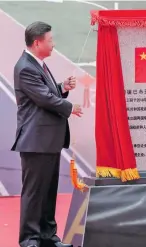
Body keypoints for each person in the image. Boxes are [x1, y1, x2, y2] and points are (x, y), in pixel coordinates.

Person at [11, 21, 83, 247]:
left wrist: (62, 87)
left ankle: (47, 237)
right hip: (35, 141)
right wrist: (70, 108)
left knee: (48, 192)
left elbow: (47, 91)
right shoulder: (25, 67)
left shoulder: (37, 64)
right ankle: (30, 240)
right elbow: (43, 98)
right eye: (50, 40)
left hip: (48, 141)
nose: (53, 44)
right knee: (34, 194)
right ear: (37, 42)